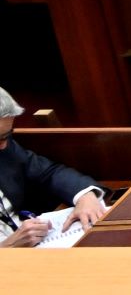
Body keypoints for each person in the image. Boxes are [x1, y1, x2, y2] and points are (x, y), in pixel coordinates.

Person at [0, 87, 109, 242]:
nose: (3, 146)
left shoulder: (4, 147)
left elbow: (48, 172)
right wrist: (8, 247)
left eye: (6, 136)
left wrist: (85, 196)